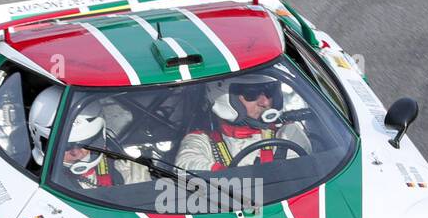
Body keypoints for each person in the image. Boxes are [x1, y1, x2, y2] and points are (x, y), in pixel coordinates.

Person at [175, 74, 311, 171]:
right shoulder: (201, 140)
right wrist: (222, 174)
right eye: (251, 94)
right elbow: (185, 164)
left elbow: (301, 177)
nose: (265, 102)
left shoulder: (287, 133)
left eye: (269, 92)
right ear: (225, 97)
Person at [28, 86, 148, 189]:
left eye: (85, 144)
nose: (76, 152)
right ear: (43, 143)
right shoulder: (31, 184)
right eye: (65, 147)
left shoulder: (125, 171)